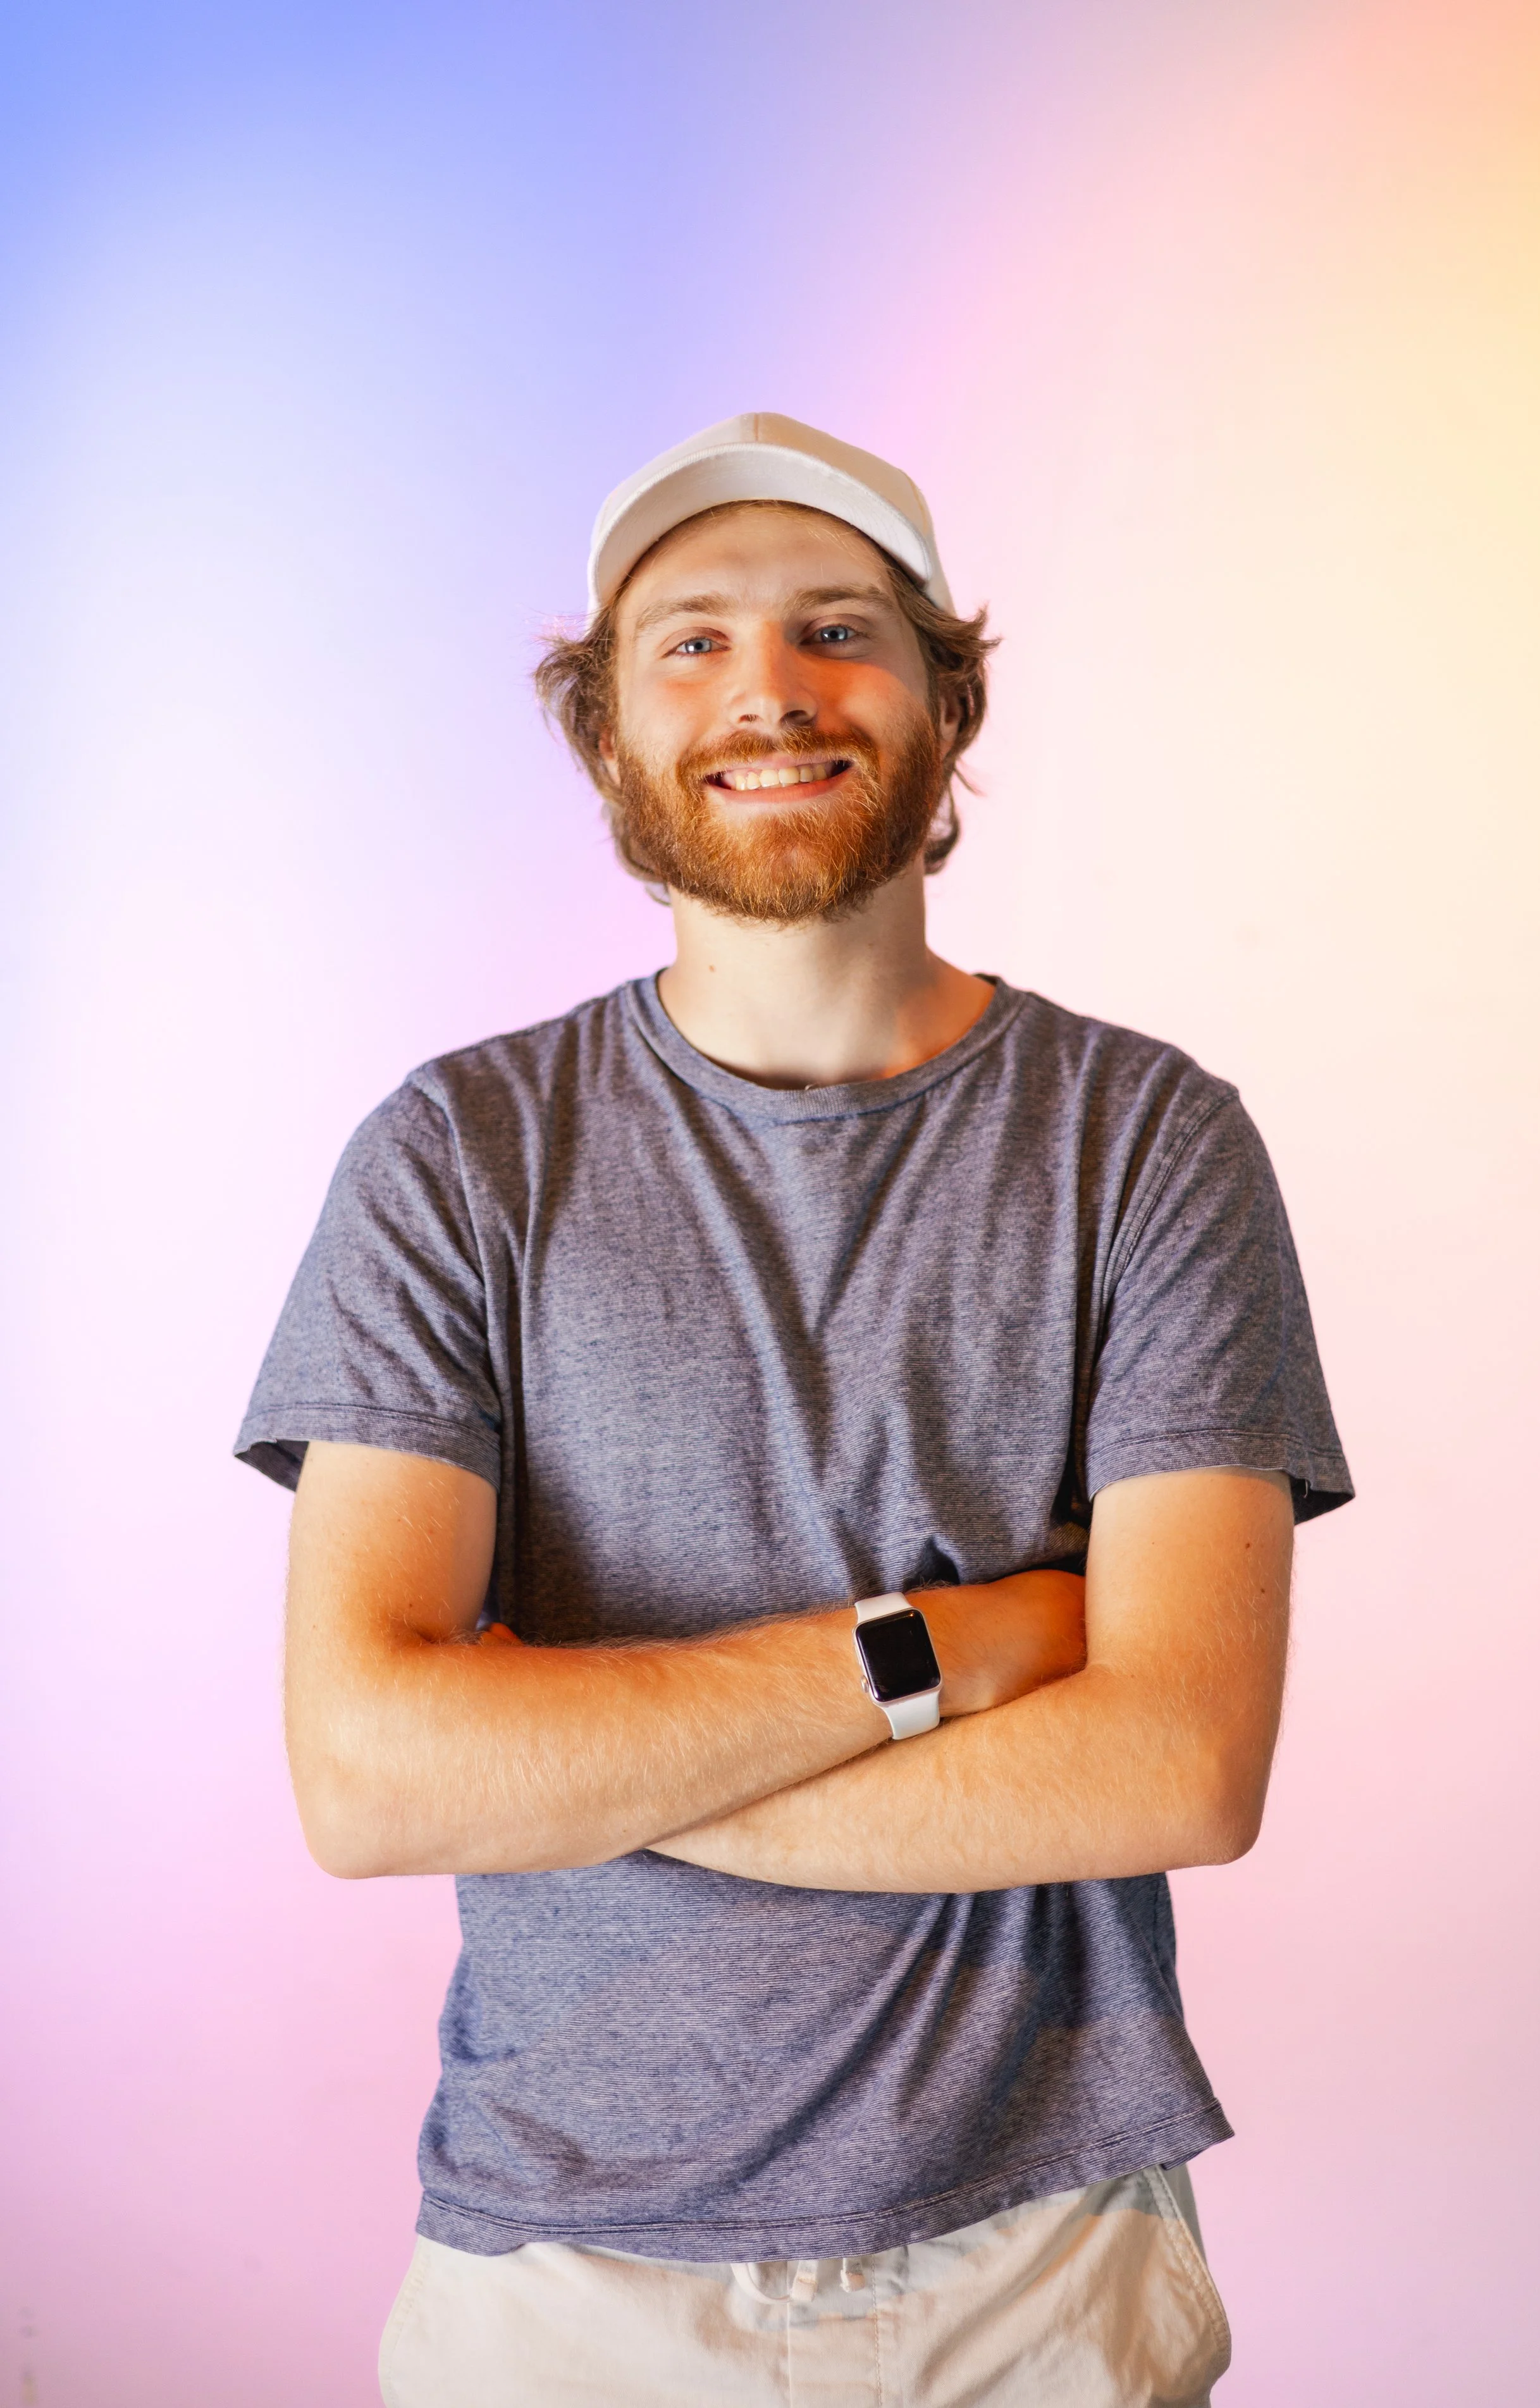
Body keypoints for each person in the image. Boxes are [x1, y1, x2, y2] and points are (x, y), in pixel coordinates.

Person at [237, 412, 1352, 2405]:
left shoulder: (1148, 1142)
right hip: (553, 2282)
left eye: (838, 628)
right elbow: (374, 1776)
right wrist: (956, 1648)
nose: (766, 686)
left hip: (1040, 2269)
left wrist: (586, 1758)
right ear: (604, 735)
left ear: (945, 704)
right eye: (690, 642)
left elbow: (1177, 1762)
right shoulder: (457, 1157)